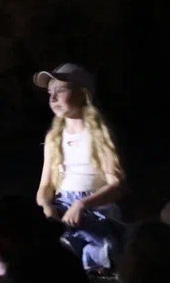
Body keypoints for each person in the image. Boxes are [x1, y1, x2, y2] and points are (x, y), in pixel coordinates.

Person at [33, 63, 126, 269]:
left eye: (60, 90)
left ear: (83, 94)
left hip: (94, 207)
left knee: (102, 241)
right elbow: (45, 186)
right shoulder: (54, 137)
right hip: (63, 205)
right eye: (50, 93)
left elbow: (116, 185)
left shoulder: (98, 135)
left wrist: (82, 204)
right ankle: (70, 250)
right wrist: (47, 206)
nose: (53, 98)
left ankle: (93, 251)